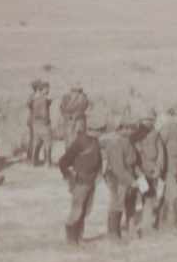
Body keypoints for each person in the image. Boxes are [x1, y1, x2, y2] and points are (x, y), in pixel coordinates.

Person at [58, 115, 103, 245]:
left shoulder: (95, 141)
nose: (100, 132)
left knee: (85, 210)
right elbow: (63, 162)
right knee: (77, 210)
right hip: (80, 181)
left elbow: (98, 160)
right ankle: (71, 240)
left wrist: (99, 175)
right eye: (99, 129)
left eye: (101, 129)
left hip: (91, 181)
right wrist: (68, 176)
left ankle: (79, 237)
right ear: (89, 129)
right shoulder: (79, 142)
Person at [103, 121, 140, 240]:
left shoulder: (129, 141)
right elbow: (118, 168)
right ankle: (113, 234)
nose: (130, 130)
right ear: (120, 128)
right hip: (116, 177)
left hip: (129, 175)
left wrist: (138, 177)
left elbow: (134, 162)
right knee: (117, 204)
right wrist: (131, 181)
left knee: (131, 203)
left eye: (132, 128)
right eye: (126, 128)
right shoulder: (115, 143)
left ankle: (131, 230)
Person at [135, 109, 166, 232]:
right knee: (142, 196)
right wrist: (138, 171)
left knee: (151, 196)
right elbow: (134, 155)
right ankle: (136, 225)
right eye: (146, 120)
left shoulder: (156, 134)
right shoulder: (135, 135)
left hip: (153, 171)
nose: (148, 122)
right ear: (141, 121)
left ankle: (148, 224)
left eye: (151, 120)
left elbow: (161, 153)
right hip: (140, 172)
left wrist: (159, 167)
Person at [158, 104, 177, 230]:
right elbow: (159, 146)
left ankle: (159, 219)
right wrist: (162, 166)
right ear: (171, 116)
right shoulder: (167, 128)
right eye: (176, 115)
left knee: (168, 195)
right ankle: (171, 225)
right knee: (173, 196)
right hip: (169, 168)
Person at [29, 81, 53, 167]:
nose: (48, 90)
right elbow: (45, 112)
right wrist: (47, 122)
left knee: (36, 142)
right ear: (42, 89)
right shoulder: (45, 99)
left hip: (36, 123)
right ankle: (47, 162)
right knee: (48, 142)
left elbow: (30, 105)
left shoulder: (34, 99)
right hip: (44, 123)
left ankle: (33, 161)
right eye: (47, 88)